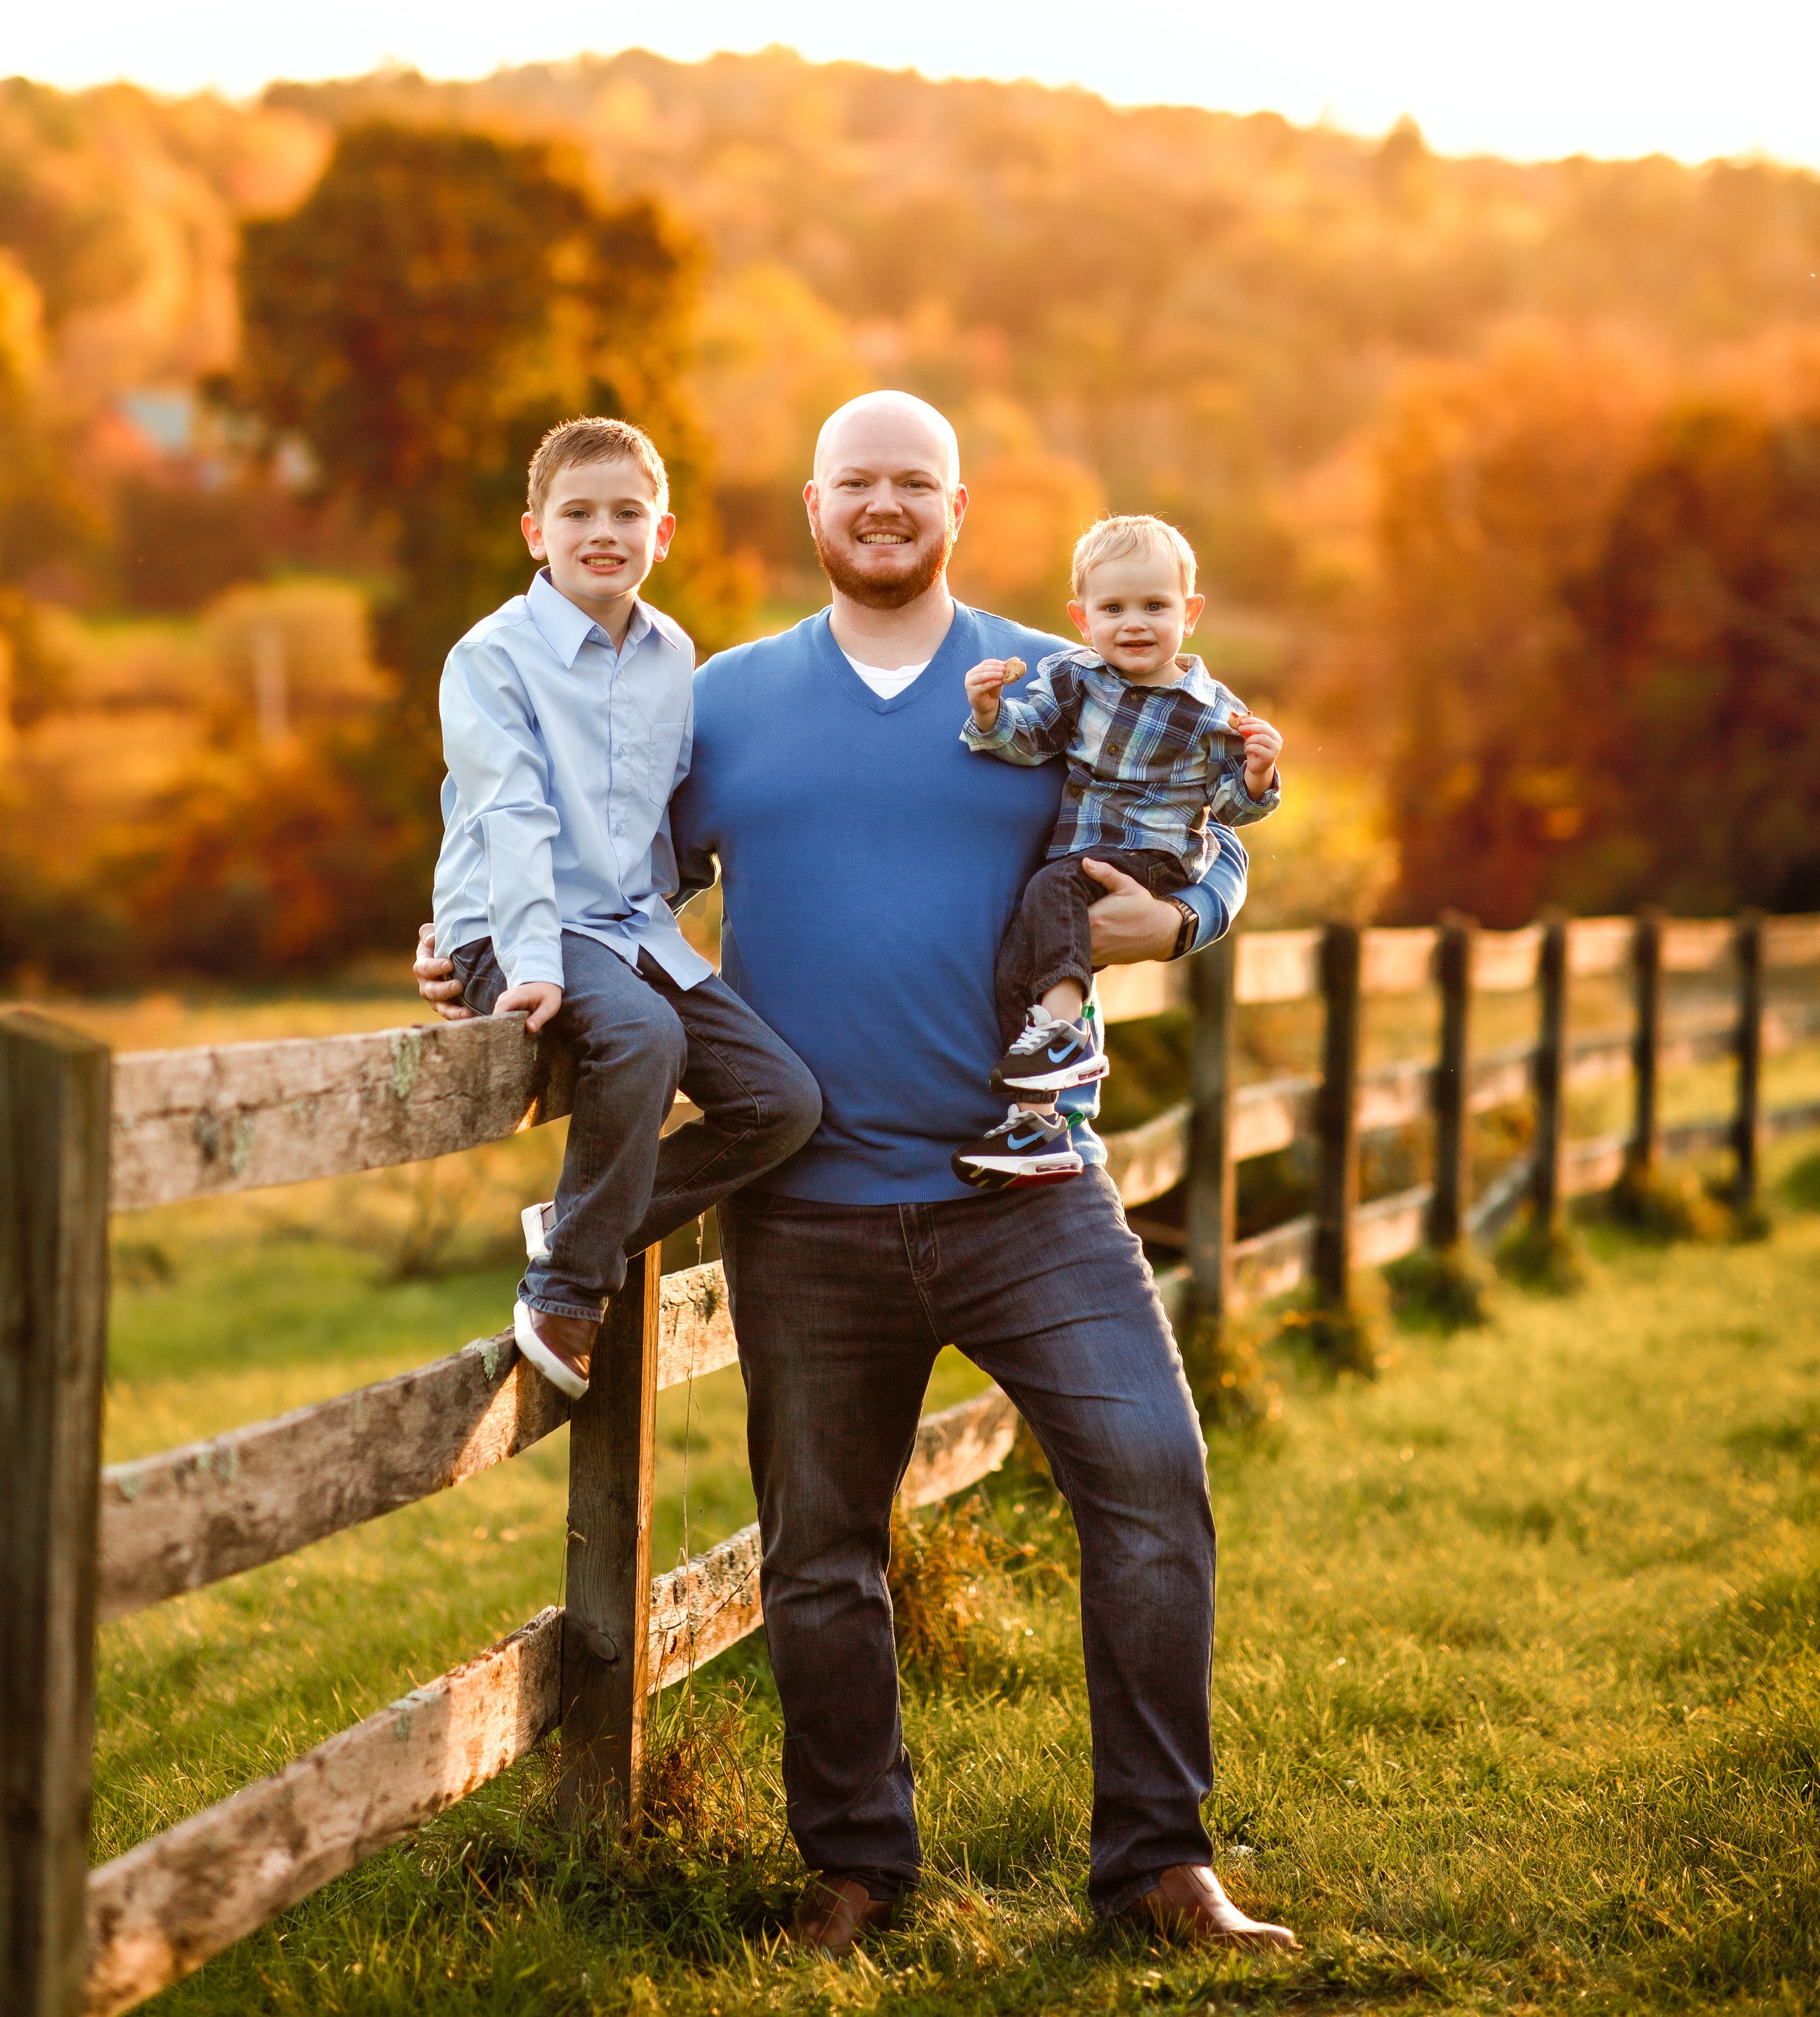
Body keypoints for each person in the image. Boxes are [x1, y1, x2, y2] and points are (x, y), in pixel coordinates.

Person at [417, 391, 1297, 1955]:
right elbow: (603, 858)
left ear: (957, 506)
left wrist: (1194, 914)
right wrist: (474, 936)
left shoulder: (1060, 676)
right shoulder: (727, 700)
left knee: (1153, 1484)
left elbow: (1207, 812)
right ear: (812, 506)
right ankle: (856, 1869)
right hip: (809, 1210)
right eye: (856, 482)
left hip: (1032, 1189)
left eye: (915, 483)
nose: (884, 506)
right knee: (818, 1553)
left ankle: (1159, 1866)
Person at [432, 413, 819, 1405]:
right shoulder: (491, 655)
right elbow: (505, 808)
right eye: (577, 512)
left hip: (627, 926)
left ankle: (580, 1221)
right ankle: (566, 1285)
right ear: (535, 531)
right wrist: (522, 962)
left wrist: (670, 907)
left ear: (665, 531)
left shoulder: (670, 652)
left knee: (785, 1102)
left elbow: (661, 809)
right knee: (644, 1036)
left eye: (626, 511)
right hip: (518, 926)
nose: (602, 530)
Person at [951, 511, 1282, 1189]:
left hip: (1152, 855)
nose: (1134, 623)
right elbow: (1030, 736)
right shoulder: (1075, 679)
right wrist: (989, 714)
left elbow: (1231, 814)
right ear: (1082, 619)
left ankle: (1065, 1040)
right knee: (1021, 960)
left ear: (1190, 613)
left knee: (1050, 893)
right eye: (1115, 608)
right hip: (1079, 852)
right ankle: (1036, 1121)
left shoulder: (1213, 710)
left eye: (1155, 606)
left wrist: (1256, 774)